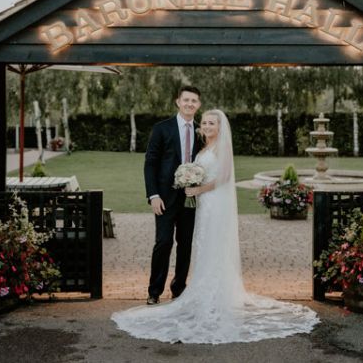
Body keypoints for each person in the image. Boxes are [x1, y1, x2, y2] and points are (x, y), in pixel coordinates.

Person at [112, 109, 319, 344]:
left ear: (220, 127)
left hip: (213, 204)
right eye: (205, 122)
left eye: (212, 123)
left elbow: (224, 176)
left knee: (214, 246)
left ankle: (216, 295)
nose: (208, 126)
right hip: (202, 207)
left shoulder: (221, 148)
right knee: (201, 246)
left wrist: (198, 189)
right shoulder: (201, 148)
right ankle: (198, 290)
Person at [143, 85, 203, 305]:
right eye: (186, 100)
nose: (189, 104)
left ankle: (179, 288)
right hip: (164, 199)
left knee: (185, 244)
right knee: (163, 242)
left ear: (198, 105)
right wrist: (153, 195)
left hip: (191, 198)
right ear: (178, 102)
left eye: (194, 101)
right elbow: (150, 164)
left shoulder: (201, 131)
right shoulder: (162, 128)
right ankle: (154, 290)